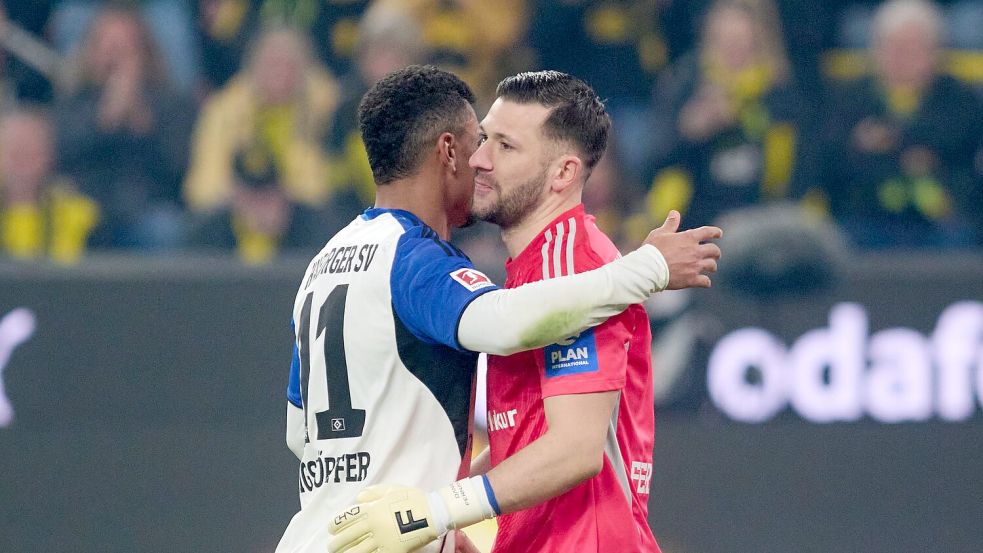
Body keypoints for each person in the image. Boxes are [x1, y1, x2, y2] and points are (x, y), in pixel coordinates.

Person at [278, 65, 721, 553]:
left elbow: (299, 434)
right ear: (447, 151)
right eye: (481, 139)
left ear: (563, 172)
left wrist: (435, 514)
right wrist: (648, 269)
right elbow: (507, 322)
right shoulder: (433, 265)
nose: (481, 160)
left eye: (504, 146)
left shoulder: (325, 263)